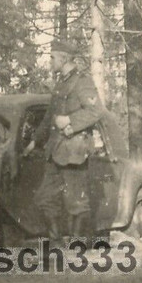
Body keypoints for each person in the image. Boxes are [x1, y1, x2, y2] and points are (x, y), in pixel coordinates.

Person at [31, 39, 103, 241]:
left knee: (76, 202)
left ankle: (80, 244)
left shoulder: (82, 82)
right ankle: (56, 244)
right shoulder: (60, 84)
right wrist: (35, 141)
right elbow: (49, 118)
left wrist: (71, 120)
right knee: (45, 198)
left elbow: (96, 111)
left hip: (74, 150)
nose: (50, 61)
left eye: (53, 57)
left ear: (63, 58)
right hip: (55, 150)